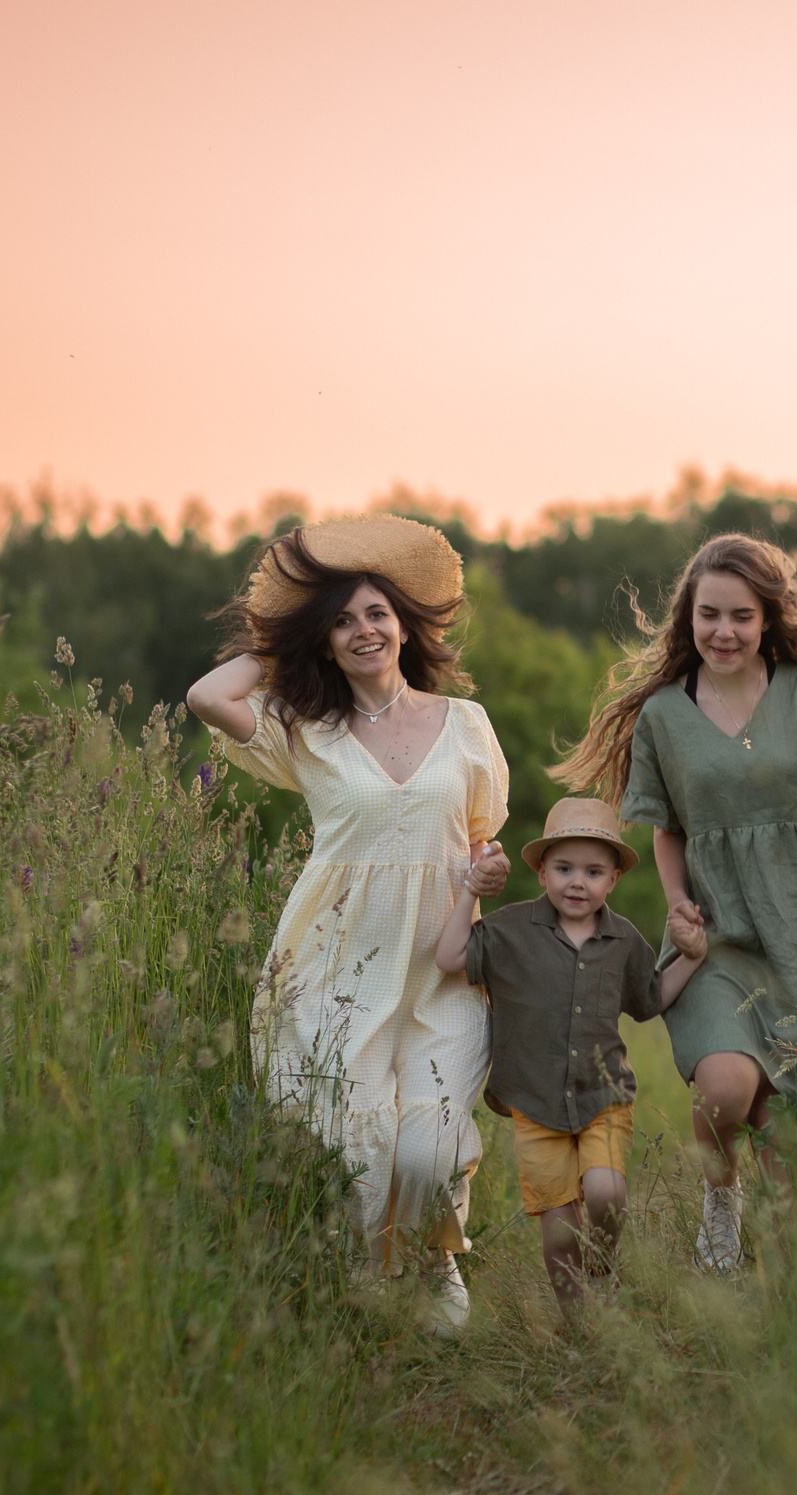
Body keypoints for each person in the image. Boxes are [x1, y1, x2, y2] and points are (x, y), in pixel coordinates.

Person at [185, 515, 508, 1336]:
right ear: (323, 642)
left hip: (442, 964)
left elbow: (482, 838)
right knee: (357, 1154)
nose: (363, 630)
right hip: (339, 965)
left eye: (375, 612)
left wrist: (489, 873)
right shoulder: (308, 731)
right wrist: (287, 638)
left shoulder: (465, 724)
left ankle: (438, 1257)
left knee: (425, 1152)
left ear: (405, 623)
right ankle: (368, 1296)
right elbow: (207, 696)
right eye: (341, 619)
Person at [553, 534, 797, 1275]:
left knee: (793, 1139)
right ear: (688, 618)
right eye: (709, 614)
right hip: (715, 938)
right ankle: (721, 1197)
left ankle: (793, 1278)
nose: (724, 631)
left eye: (741, 615)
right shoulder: (663, 716)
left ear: (767, 618)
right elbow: (669, 830)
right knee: (724, 1088)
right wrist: (678, 904)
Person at [433, 798, 711, 1306]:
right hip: (535, 1104)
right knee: (559, 1230)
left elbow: (650, 999)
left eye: (593, 871)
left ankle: (603, 1270)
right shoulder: (511, 931)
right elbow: (449, 955)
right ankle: (576, 1328)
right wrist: (469, 890)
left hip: (602, 1097)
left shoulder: (623, 940)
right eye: (563, 868)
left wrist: (691, 958)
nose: (577, 882)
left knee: (607, 1193)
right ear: (541, 873)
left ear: (613, 881)